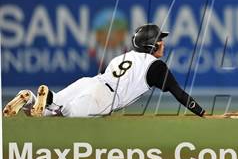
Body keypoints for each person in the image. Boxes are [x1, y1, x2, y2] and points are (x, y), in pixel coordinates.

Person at [3, 24, 206, 118]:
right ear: (152, 45)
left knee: (45, 112)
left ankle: (30, 98)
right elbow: (179, 94)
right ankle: (47, 100)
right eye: (159, 39)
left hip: (90, 82)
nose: (163, 43)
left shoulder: (124, 56)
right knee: (65, 113)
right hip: (105, 98)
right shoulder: (156, 67)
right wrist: (202, 113)